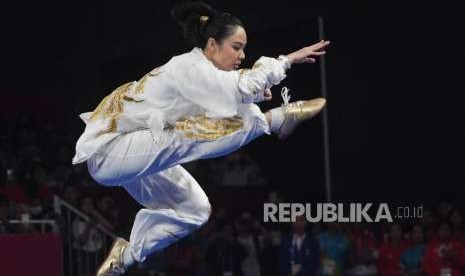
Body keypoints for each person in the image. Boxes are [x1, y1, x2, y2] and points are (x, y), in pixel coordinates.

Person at [72, 2, 329, 275]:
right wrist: (286, 60)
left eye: (243, 48)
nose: (242, 55)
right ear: (212, 44)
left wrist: (256, 90)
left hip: (136, 154)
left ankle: (126, 256)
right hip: (108, 153)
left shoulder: (203, 72)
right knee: (192, 133)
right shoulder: (189, 67)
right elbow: (239, 87)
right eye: (236, 47)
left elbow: (231, 91)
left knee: (195, 209)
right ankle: (276, 120)